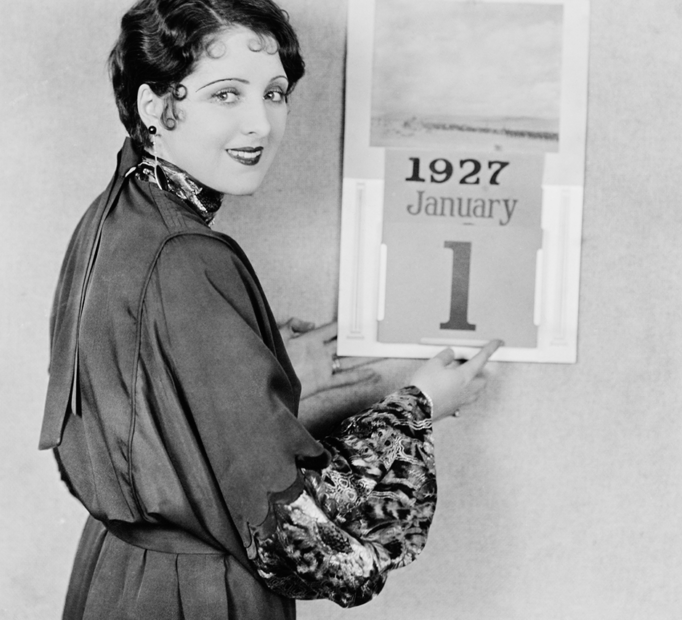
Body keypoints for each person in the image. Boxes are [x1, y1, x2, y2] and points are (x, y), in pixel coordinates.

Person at [40, 1, 500, 618]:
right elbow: (300, 536)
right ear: (156, 106)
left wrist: (267, 370)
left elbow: (155, 420)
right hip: (194, 595)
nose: (260, 123)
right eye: (226, 95)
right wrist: (419, 405)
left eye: (274, 93)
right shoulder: (188, 257)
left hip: (120, 575)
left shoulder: (118, 213)